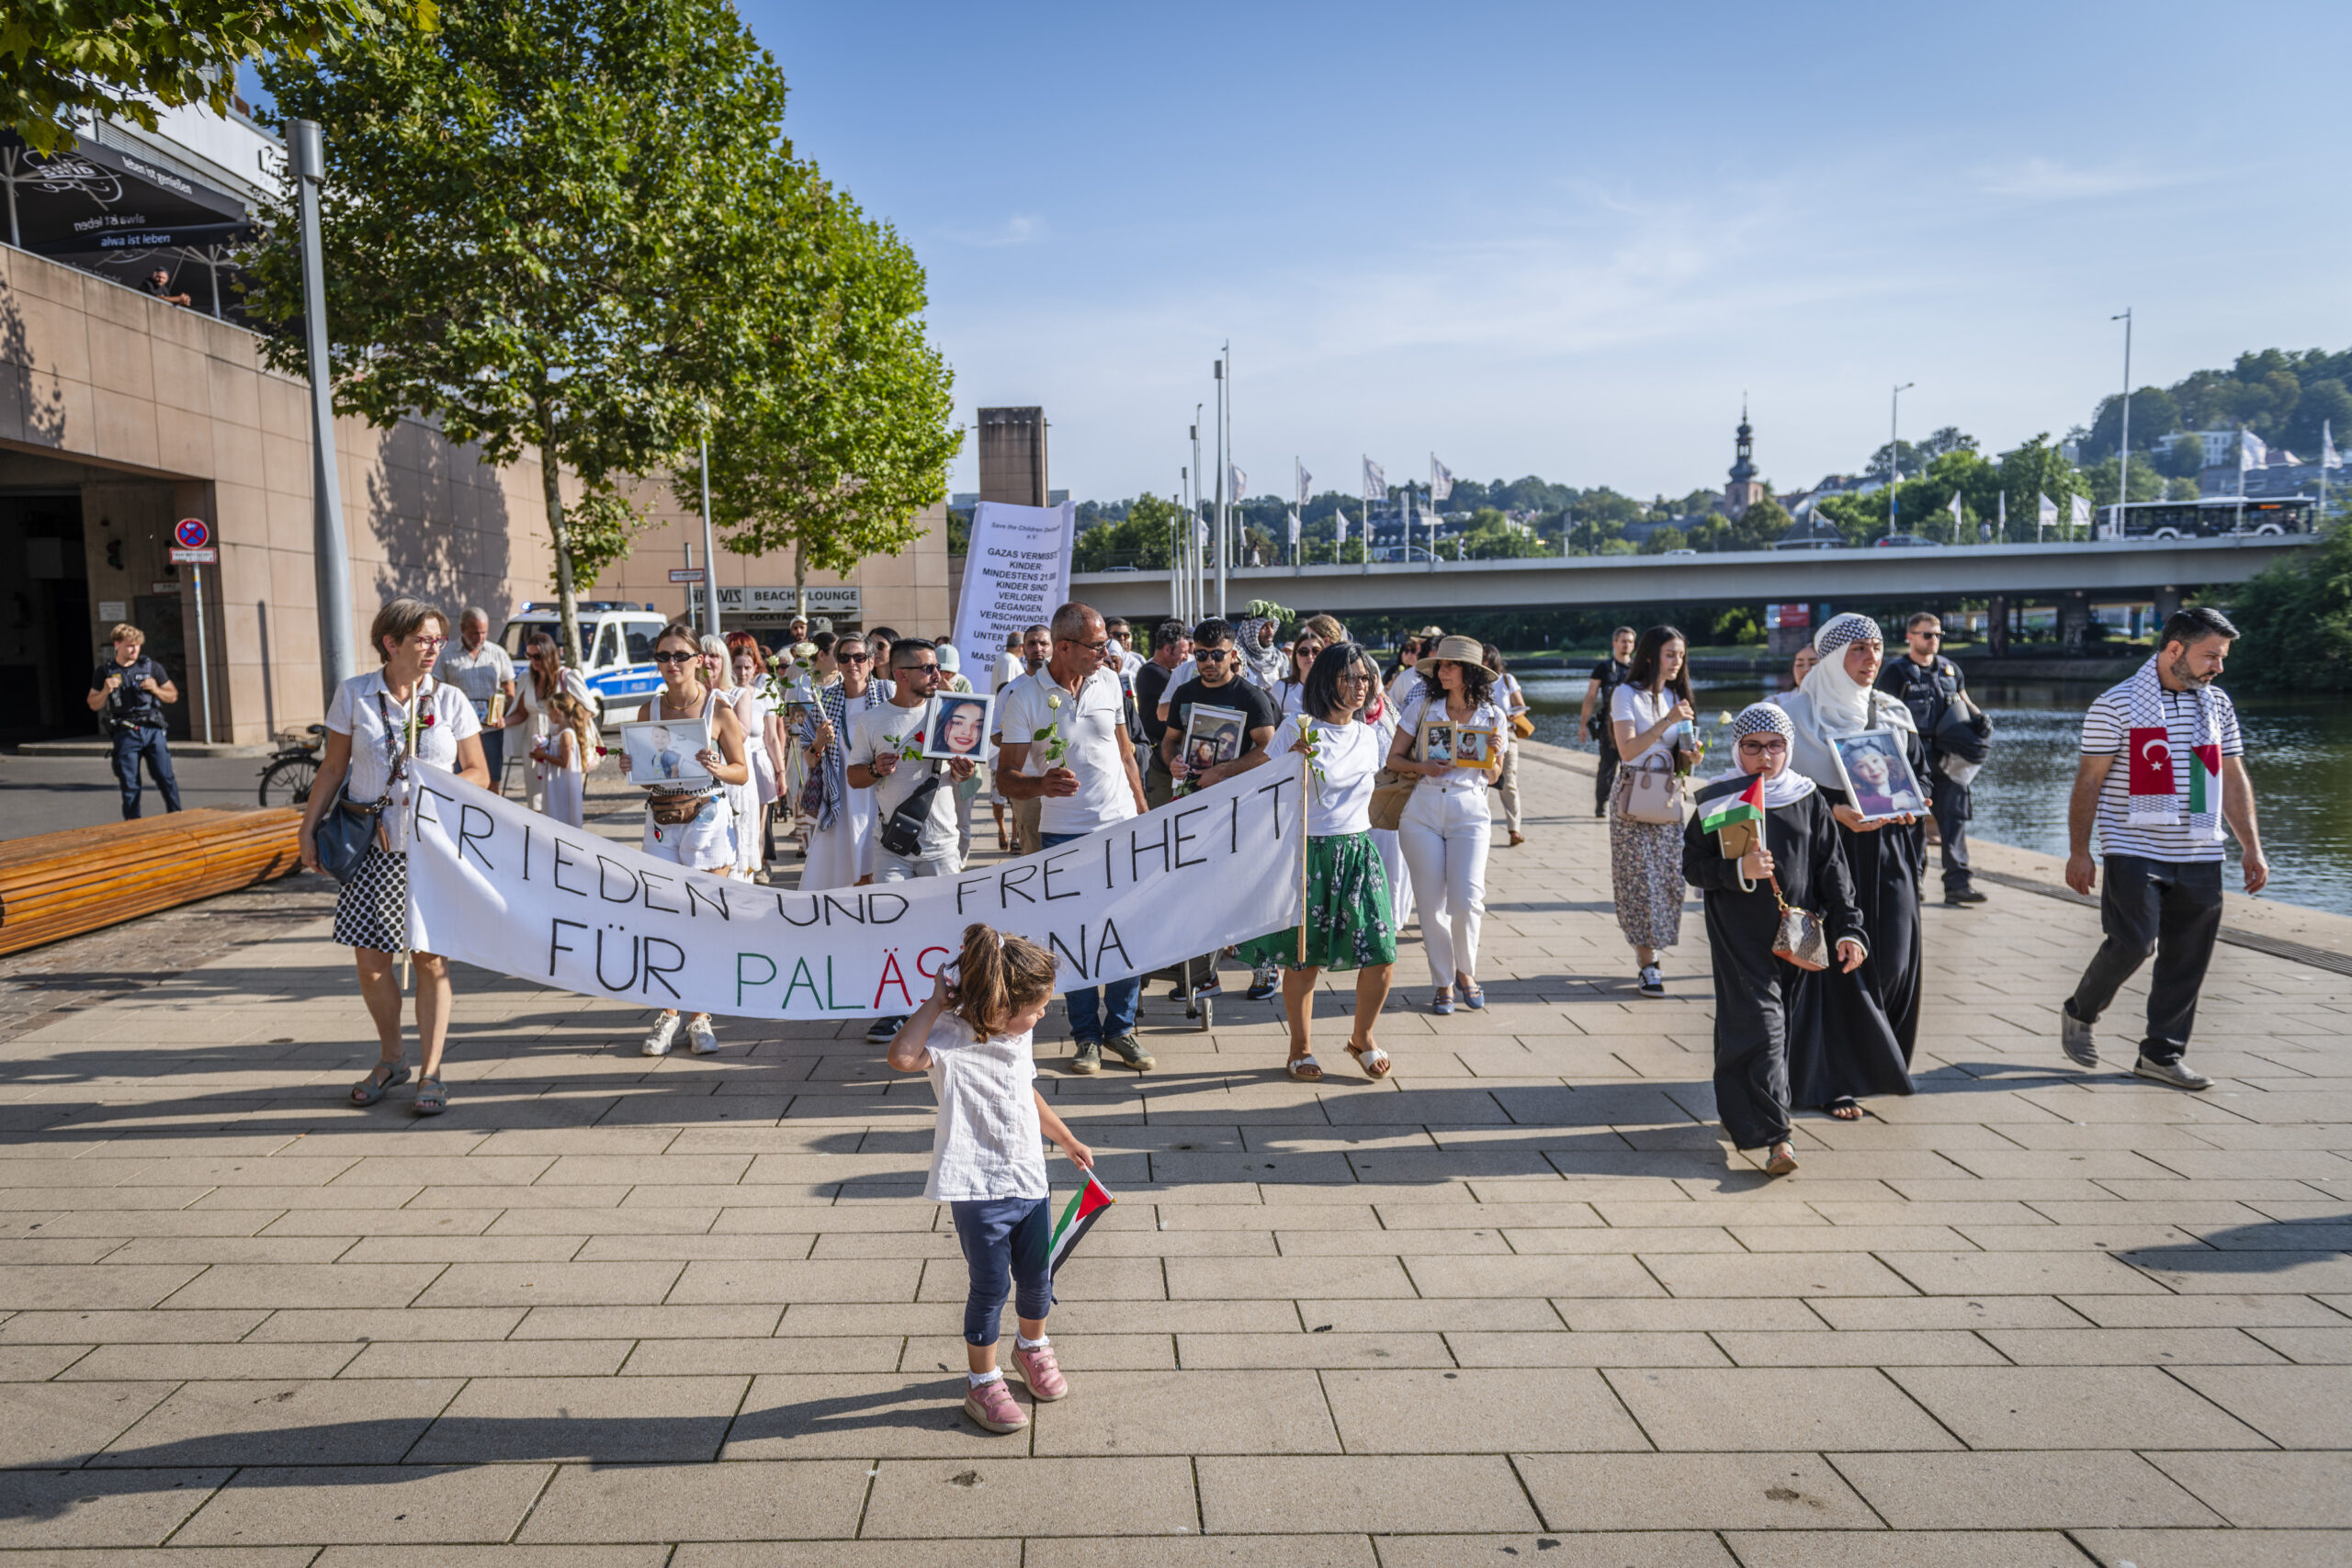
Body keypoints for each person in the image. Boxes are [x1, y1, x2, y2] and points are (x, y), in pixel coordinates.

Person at [886, 923, 1094, 1435]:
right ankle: (982, 1383)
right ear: (1001, 1009)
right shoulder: (949, 1038)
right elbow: (901, 1057)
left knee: (1038, 1276)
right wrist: (935, 1004)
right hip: (977, 1187)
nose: (1042, 1016)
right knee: (990, 1287)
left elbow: (1025, 1093)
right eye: (1036, 1009)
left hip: (1028, 1177)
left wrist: (1065, 1139)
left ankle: (1032, 1348)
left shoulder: (1018, 1038)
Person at [2059, 606, 2265, 1091]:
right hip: (2133, 844)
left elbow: (2232, 779)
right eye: (2210, 656)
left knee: (2188, 956)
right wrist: (2079, 851)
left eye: (2222, 657)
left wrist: (2251, 846)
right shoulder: (2117, 704)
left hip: (2199, 848)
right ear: (2175, 650)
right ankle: (2080, 1009)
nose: (2219, 667)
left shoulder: (2216, 706)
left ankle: (2161, 1055)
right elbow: (2089, 780)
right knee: (2134, 942)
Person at [299, 598, 490, 1117]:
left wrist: (436, 787)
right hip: (371, 846)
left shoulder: (449, 700)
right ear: (392, 643)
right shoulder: (356, 695)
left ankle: (432, 1072)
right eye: (423, 639)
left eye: (437, 640)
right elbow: (333, 768)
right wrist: (307, 830)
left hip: (432, 850)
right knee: (371, 962)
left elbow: (479, 772)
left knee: (430, 959)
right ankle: (392, 1057)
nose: (433, 649)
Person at [1683, 704, 1871, 1176]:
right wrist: (1737, 871)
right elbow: (1692, 867)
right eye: (1752, 746)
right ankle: (1778, 1138)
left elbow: (1834, 871)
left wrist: (1850, 929)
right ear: (1736, 749)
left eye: (1775, 746)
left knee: (1752, 1025)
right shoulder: (1718, 799)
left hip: (1799, 935)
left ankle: (1740, 1108)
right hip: (1737, 933)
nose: (1764, 757)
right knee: (1764, 1026)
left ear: (1789, 748)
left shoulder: (1807, 798)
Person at [1781, 613, 1927, 1117]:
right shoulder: (1792, 717)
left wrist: (1912, 805)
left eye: (1878, 649)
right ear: (1831, 656)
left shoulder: (1892, 714)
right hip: (1825, 859)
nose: (1871, 660)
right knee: (1836, 965)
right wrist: (1832, 811)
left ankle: (1878, 1060)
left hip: (1888, 853)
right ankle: (1834, 1078)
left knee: (1895, 957)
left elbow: (1921, 779)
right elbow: (1775, 792)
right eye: (1859, 649)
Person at [997, 602, 1152, 1074]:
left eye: (1108, 643)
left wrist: (1144, 814)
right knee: (1076, 937)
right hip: (1064, 836)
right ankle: (1085, 1036)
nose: (1108, 652)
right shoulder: (1023, 695)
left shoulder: (1108, 681)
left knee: (1129, 931)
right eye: (1098, 645)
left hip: (1122, 827)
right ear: (1063, 648)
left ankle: (1121, 1029)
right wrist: (1041, 785)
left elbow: (1126, 754)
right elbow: (1005, 777)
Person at [1238, 642, 1397, 1081]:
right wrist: (1292, 764)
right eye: (1350, 677)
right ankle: (1300, 1047)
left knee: (1382, 954)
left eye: (1365, 677)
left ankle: (1362, 1036)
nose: (1360, 685)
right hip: (1307, 852)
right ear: (1328, 681)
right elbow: (1264, 789)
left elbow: (1392, 773)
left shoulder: (1370, 734)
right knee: (1302, 958)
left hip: (1357, 851)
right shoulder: (1297, 728)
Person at [623, 622, 751, 1057]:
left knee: (702, 920)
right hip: (662, 816)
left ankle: (700, 1017)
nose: (671, 664)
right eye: (663, 656)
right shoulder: (649, 711)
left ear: (699, 660)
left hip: (708, 817)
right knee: (663, 918)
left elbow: (741, 771)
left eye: (680, 656)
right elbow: (649, 780)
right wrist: (634, 766)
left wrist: (717, 767)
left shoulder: (719, 709)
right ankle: (669, 1013)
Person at [850, 639, 978, 1042]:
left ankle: (951, 1004)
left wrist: (963, 771)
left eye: (936, 667)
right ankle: (896, 1010)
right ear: (900, 674)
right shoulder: (873, 721)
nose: (935, 675)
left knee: (949, 929)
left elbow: (970, 782)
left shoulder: (951, 713)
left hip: (940, 842)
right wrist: (875, 769)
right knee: (891, 927)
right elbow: (854, 777)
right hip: (892, 845)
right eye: (926, 668)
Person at [1162, 616, 1283, 1003]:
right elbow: (1169, 743)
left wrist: (1223, 772)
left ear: (1233, 654)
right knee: (1195, 888)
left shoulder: (1251, 697)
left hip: (1242, 807)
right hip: (1192, 804)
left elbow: (1270, 751)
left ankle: (1265, 965)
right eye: (1201, 655)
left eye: (1217, 655)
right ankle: (1203, 976)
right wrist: (1174, 763)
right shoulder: (1184, 693)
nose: (1209, 662)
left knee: (1248, 888)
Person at [1387, 634, 1508, 1013]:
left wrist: (1490, 757)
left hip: (1470, 810)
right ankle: (1443, 982)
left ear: (1469, 672)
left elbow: (1493, 777)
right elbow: (1394, 759)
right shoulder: (1424, 706)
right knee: (1430, 903)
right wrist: (1424, 766)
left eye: (1449, 665)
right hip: (1422, 809)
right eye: (1439, 665)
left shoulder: (1493, 716)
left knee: (1467, 900)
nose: (1442, 671)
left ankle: (1466, 971)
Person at [1876, 612, 1990, 908]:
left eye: (1938, 634)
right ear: (1910, 637)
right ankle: (1912, 882)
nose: (1934, 640)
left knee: (1954, 819)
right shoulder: (1896, 672)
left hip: (1950, 757)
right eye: (1927, 634)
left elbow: (1965, 701)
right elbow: (1881, 713)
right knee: (1913, 823)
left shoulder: (1950, 669)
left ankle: (1958, 884)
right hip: (1913, 757)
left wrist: (1980, 722)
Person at [1610, 626, 1696, 999]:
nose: (1677, 662)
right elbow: (1627, 750)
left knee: (1668, 879)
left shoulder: (1678, 696)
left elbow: (1683, 760)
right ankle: (1649, 964)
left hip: (1667, 794)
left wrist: (1692, 757)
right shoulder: (1625, 695)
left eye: (1681, 655)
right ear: (1650, 656)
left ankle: (1653, 951)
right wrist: (1668, 721)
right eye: (1670, 655)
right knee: (1639, 880)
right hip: (1632, 795)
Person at [799, 633, 888, 890]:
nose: (852, 663)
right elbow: (810, 760)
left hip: (881, 793)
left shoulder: (888, 694)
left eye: (859, 657)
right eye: (845, 657)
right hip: (842, 797)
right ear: (837, 663)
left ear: (871, 662)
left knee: (877, 868)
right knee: (845, 873)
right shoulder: (824, 702)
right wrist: (818, 743)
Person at [87, 622, 182, 818]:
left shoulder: (152, 667)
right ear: (117, 645)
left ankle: (177, 817)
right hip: (125, 731)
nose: (134, 649)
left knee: (165, 777)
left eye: (137, 645)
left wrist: (156, 689)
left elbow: (172, 696)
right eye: (130, 645)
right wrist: (106, 690)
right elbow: (93, 704)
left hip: (152, 729)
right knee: (130, 784)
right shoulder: (104, 671)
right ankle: (133, 826)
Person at [503, 633, 591, 814]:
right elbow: (521, 713)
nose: (533, 661)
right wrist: (502, 722)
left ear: (549, 654)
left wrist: (567, 731)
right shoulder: (527, 679)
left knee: (558, 798)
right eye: (529, 656)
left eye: (537, 656)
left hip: (559, 743)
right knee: (535, 799)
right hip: (533, 743)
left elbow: (588, 709)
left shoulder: (567, 676)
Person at [443, 608, 519, 795]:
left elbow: (510, 692)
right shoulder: (446, 655)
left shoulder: (498, 653)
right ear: (462, 628)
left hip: (490, 730)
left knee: (492, 780)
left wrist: (502, 715)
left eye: (484, 632)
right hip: (459, 733)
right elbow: (437, 690)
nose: (480, 637)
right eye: (475, 632)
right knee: (461, 782)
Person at [729, 632, 786, 879]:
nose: (742, 673)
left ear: (755, 670)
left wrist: (780, 771)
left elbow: (772, 737)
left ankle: (757, 869)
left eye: (747, 668)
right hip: (733, 764)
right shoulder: (724, 696)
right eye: (738, 667)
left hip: (758, 762)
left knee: (758, 827)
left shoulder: (764, 695)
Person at [1001, 624, 1054, 855]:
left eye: (1044, 643)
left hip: (1066, 786)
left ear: (1054, 647)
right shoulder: (1012, 691)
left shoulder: (1068, 686)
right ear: (1023, 649)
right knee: (1034, 851)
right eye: (1032, 643)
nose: (1038, 648)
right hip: (1028, 785)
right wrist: (1020, 737)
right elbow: (995, 734)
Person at [1578, 626, 1636, 818]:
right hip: (1609, 727)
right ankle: (1601, 805)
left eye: (1630, 641)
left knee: (1632, 768)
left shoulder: (1637, 669)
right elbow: (1591, 696)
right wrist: (1583, 724)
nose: (1627, 645)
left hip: (1632, 727)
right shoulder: (1603, 668)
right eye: (1623, 641)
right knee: (1607, 767)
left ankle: (1627, 805)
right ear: (1615, 643)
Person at [1134, 619, 1191, 809]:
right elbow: (1186, 691)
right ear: (1167, 649)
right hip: (1158, 759)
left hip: (1170, 756)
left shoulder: (1167, 672)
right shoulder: (1152, 673)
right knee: (1163, 811)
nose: (1186, 657)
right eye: (1183, 652)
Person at [1488, 641, 1529, 847]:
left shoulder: (1506, 680)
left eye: (1486, 659)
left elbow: (1520, 706)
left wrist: (1509, 716)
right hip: (1482, 737)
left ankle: (1514, 829)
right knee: (1482, 782)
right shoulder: (1473, 681)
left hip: (1508, 735)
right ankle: (1481, 826)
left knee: (1509, 781)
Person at [532, 691, 592, 828]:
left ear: (557, 712)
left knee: (561, 815)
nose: (548, 714)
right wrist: (541, 753)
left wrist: (545, 755)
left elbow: (565, 762)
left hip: (562, 784)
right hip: (555, 782)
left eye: (549, 711)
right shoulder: (557, 731)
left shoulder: (566, 735)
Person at [1270, 615, 1341, 721]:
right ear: (1295, 655)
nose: (1310, 656)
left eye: (1316, 651)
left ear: (1325, 644)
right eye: (1303, 652)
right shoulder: (1281, 687)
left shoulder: (1336, 687)